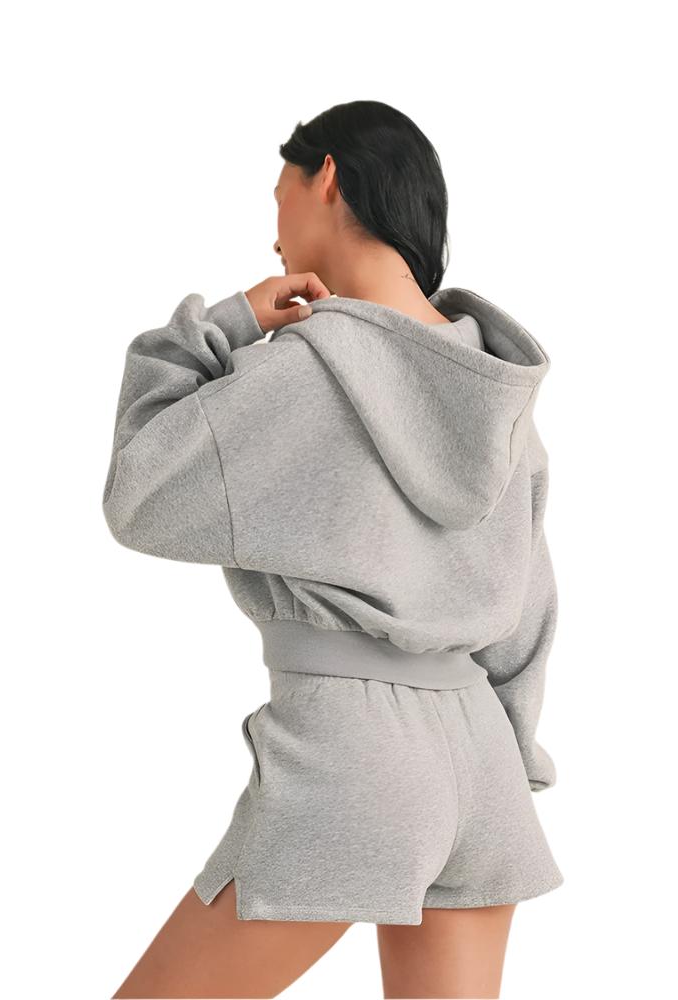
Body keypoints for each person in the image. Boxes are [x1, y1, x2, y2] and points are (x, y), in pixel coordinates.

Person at [102, 100, 563, 999]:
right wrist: (505, 762)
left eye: (277, 193)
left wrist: (221, 327)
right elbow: (526, 610)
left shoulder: (298, 373)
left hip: (356, 752)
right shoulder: (497, 399)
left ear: (326, 176)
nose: (273, 230)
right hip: (484, 763)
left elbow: (139, 495)